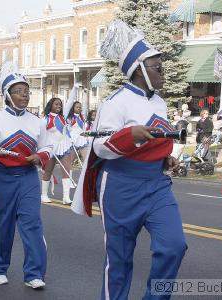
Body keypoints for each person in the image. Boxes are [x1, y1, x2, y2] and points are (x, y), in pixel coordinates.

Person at [71, 20, 187, 300]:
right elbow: (100, 146)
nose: (163, 71)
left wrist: (165, 158)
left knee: (174, 245)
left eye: (162, 65)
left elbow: (156, 140)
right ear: (138, 70)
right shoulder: (115, 102)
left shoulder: (159, 101)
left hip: (157, 184)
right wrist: (130, 135)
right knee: (119, 260)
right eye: (157, 66)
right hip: (120, 186)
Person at [0, 67, 51, 289]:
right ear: (7, 95)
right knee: (3, 224)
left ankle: (34, 273)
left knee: (32, 224)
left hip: (27, 178)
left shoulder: (37, 122)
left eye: (26, 91)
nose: (24, 95)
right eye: (18, 91)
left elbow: (48, 148)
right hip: (0, 177)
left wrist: (40, 156)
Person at [40, 95, 74, 205]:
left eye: (60, 104)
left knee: (67, 170)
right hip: (51, 147)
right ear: (51, 105)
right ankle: (44, 194)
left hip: (63, 146)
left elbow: (70, 101)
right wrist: (44, 148)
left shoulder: (62, 117)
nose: (59, 106)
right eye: (56, 104)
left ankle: (66, 197)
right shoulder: (45, 119)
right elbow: (41, 136)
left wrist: (75, 87)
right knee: (48, 171)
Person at [66, 85, 89, 162]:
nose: (79, 108)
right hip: (73, 140)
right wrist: (74, 89)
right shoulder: (69, 118)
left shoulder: (82, 116)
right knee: (70, 163)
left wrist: (85, 94)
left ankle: (85, 174)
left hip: (82, 139)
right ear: (73, 108)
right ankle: (68, 174)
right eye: (77, 107)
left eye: (80, 107)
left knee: (86, 161)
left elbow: (85, 104)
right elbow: (70, 101)